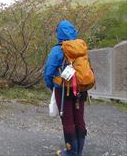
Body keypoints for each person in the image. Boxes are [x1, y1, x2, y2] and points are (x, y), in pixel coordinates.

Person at [44, 20, 87, 156]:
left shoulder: (57, 49)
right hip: (81, 89)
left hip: (63, 90)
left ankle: (71, 152)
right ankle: (78, 151)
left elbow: (49, 72)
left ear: (59, 33)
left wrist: (52, 87)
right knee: (79, 119)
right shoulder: (81, 48)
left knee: (68, 121)